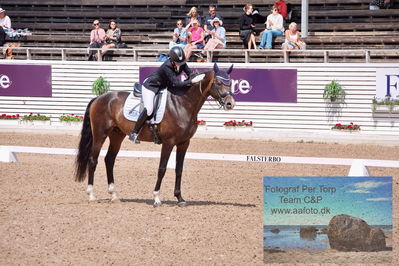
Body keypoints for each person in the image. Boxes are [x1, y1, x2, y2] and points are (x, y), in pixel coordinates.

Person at [129, 46, 204, 143]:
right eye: (178, 63)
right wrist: (192, 81)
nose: (180, 65)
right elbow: (176, 83)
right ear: (172, 60)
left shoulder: (182, 62)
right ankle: (134, 133)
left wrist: (198, 76)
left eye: (182, 62)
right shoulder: (167, 66)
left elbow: (190, 73)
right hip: (151, 86)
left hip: (164, 86)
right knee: (149, 109)